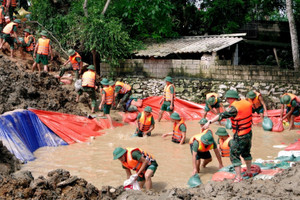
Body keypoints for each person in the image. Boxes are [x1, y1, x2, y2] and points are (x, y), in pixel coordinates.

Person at [202, 90, 253, 183]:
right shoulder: (247, 102)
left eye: (228, 99)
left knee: (234, 154)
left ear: (230, 98)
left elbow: (221, 115)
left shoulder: (234, 108)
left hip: (240, 135)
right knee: (246, 153)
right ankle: (249, 172)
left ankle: (238, 177)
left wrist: (209, 122)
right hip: (248, 132)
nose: (227, 101)